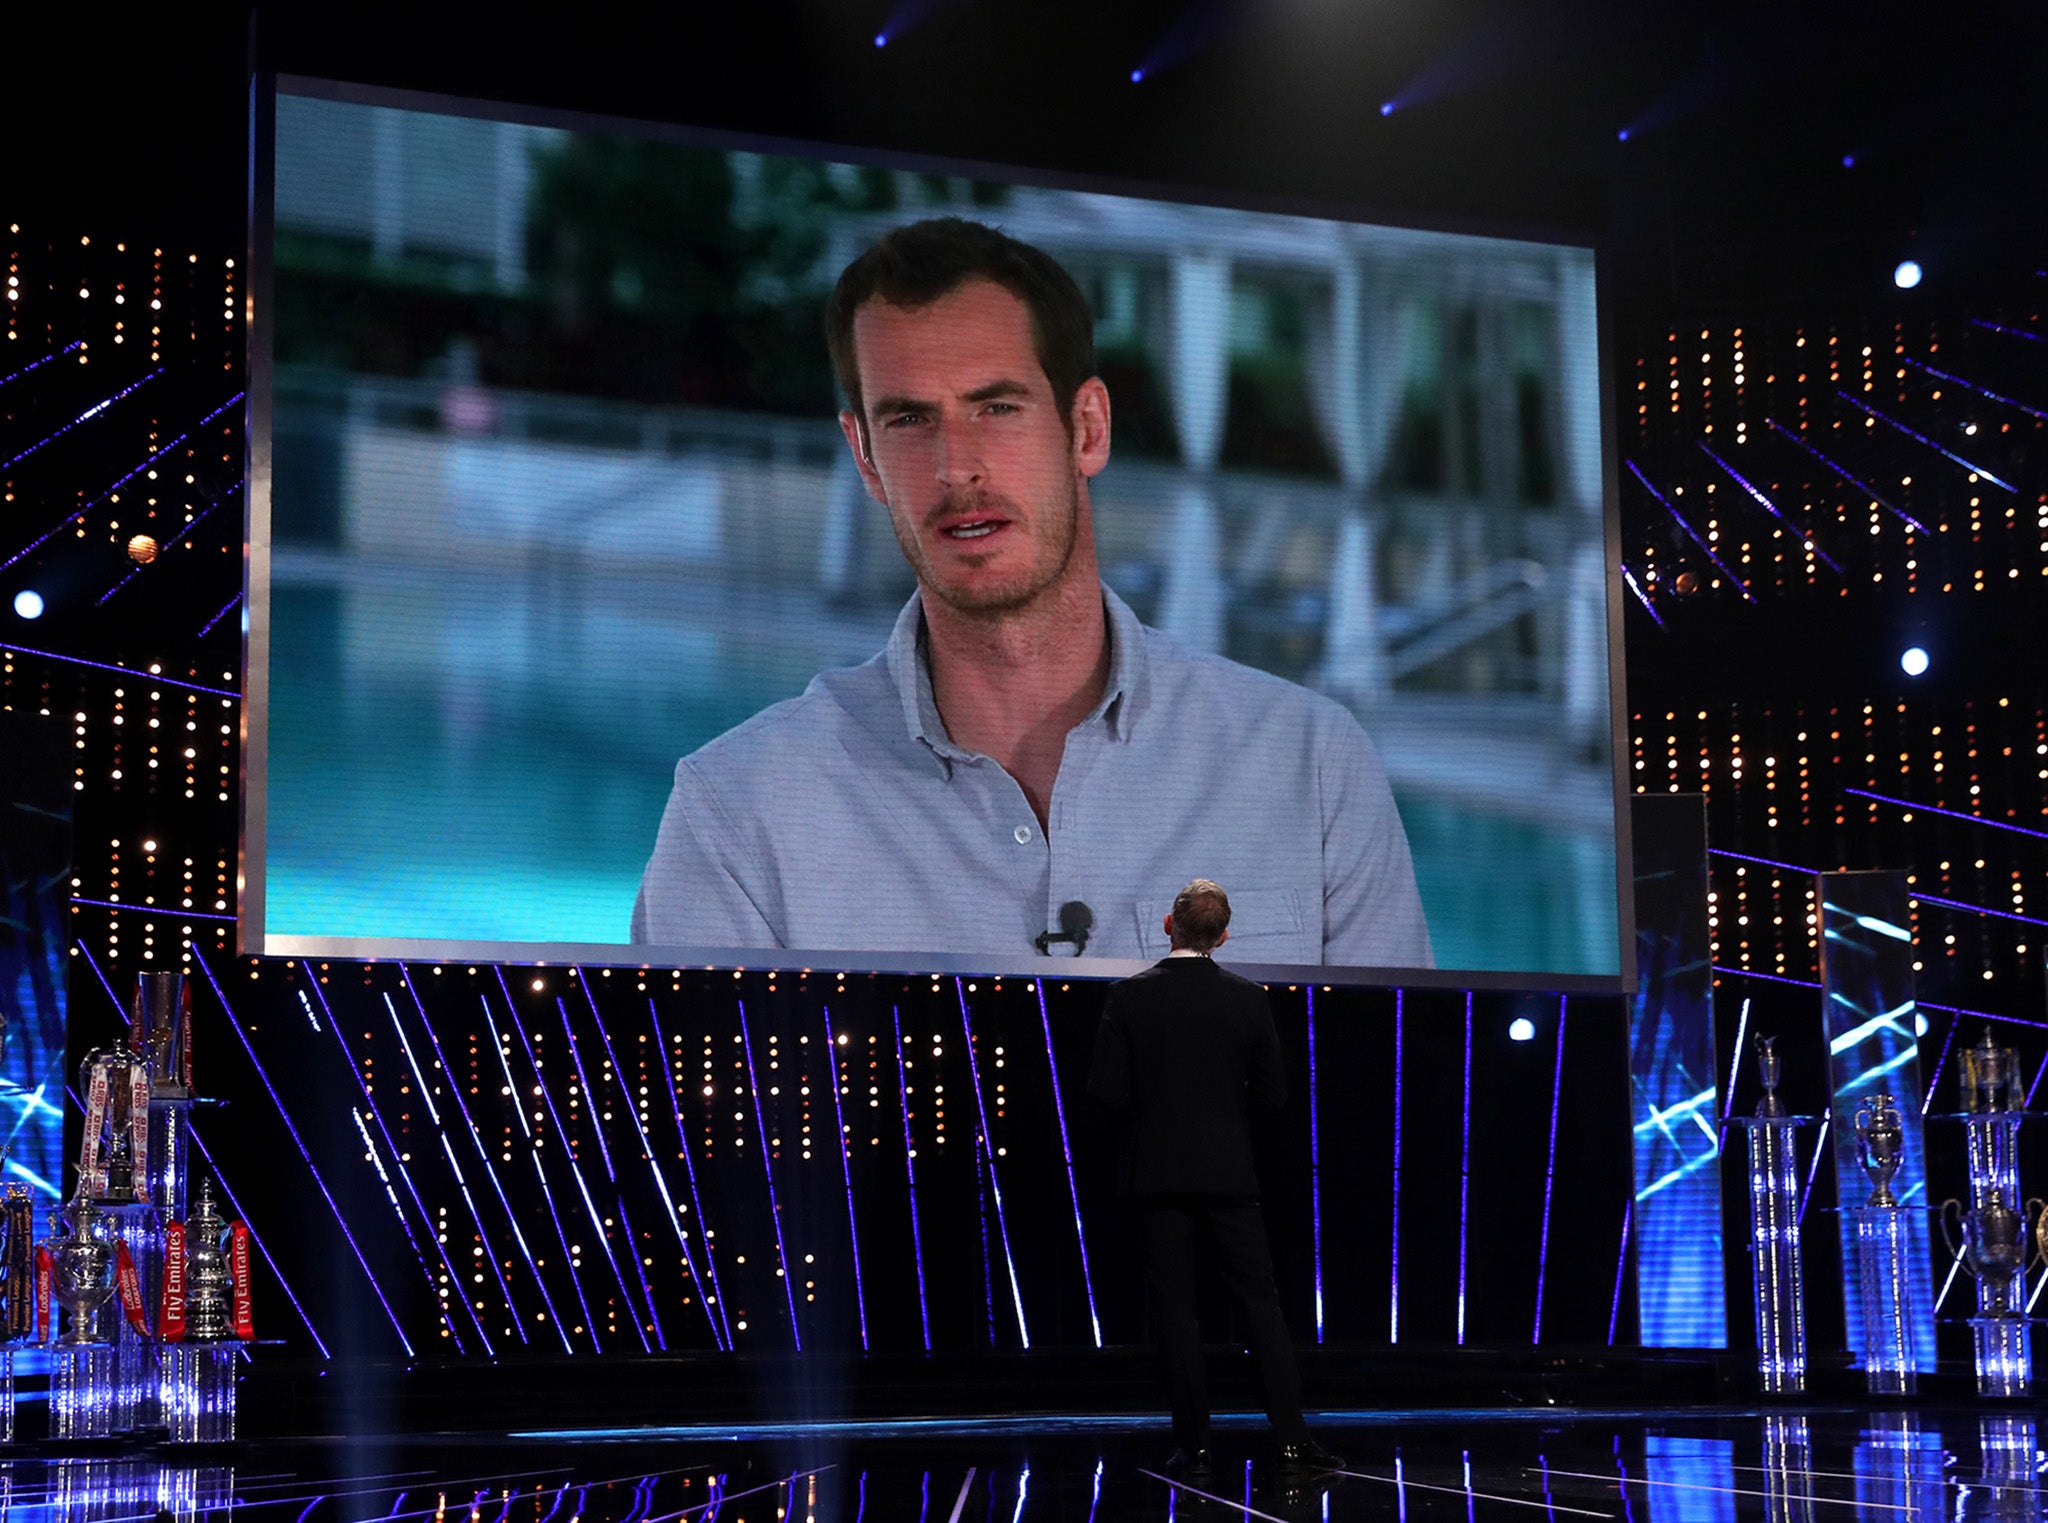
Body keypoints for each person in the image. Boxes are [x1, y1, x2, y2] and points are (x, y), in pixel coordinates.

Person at [631, 218, 1431, 968]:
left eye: (996, 407)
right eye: (909, 419)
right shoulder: (738, 817)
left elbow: (1396, 1099)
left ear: (1087, 427)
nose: (956, 466)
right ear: (865, 457)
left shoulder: (1309, 769)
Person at [1086, 879, 1342, 1475]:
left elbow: (1106, 1092)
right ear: (1223, 936)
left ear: (1168, 926)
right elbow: (1275, 1095)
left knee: (1179, 1314)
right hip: (1229, 1175)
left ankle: (1194, 1448)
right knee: (1260, 1306)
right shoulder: (1248, 999)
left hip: (1157, 1177)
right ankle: (1293, 1442)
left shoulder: (1128, 997)